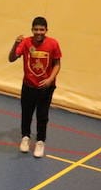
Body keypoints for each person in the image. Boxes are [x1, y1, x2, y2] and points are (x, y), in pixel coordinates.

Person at [8, 15, 62, 158]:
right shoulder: (25, 42)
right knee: (26, 113)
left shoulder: (53, 44)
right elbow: (11, 58)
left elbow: (57, 64)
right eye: (36, 29)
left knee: (42, 116)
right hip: (28, 86)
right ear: (32, 30)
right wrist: (15, 44)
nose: (39, 32)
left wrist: (50, 79)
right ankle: (25, 137)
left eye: (41, 29)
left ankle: (40, 141)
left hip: (45, 87)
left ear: (46, 30)